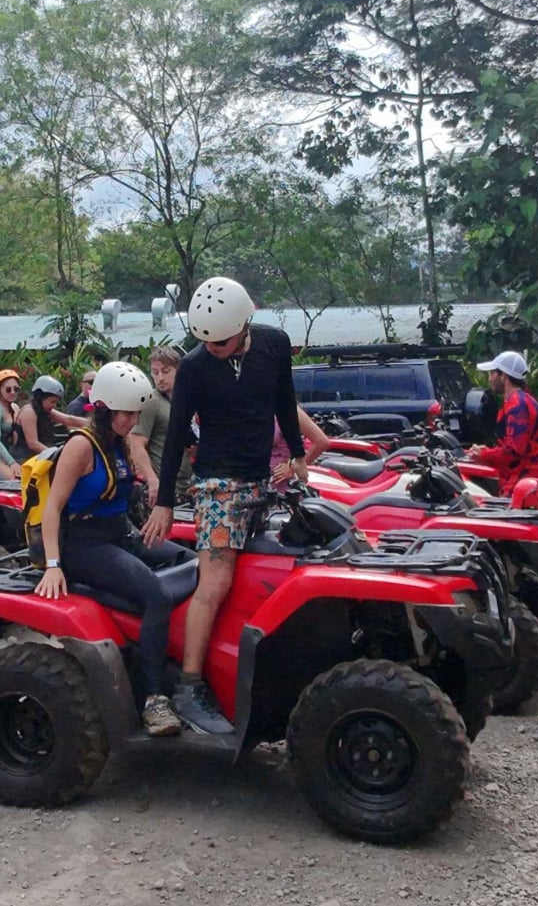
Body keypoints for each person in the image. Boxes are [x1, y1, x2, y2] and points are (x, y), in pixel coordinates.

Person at [142, 276, 307, 734]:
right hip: (217, 484)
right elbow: (177, 433)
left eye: (220, 341)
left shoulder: (274, 344)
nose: (211, 348)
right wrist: (165, 502)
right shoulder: (195, 366)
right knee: (215, 579)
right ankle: (189, 686)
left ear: (243, 326)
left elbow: (284, 400)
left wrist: (297, 455)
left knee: (269, 569)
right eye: (205, 341)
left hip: (263, 478)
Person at [33, 361, 193, 737]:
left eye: (136, 413)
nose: (133, 420)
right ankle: (153, 699)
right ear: (104, 409)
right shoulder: (80, 447)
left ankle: (156, 647)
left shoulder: (116, 442)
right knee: (157, 595)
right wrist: (53, 564)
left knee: (190, 561)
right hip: (86, 544)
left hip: (120, 533)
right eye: (127, 414)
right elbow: (53, 507)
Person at [468, 350, 538, 496]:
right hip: (520, 480)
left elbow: (514, 451)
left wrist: (484, 454)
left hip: (523, 483)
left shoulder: (518, 404)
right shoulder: (520, 400)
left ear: (504, 376)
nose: (489, 379)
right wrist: (487, 452)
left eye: (492, 373)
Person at [127, 346, 193, 524]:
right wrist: (152, 481)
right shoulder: (151, 402)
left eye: (166, 371)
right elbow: (136, 443)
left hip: (185, 486)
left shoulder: (183, 400)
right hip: (162, 489)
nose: (160, 378)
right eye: (155, 372)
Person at [16, 375, 86, 459]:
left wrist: (93, 423)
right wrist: (57, 455)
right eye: (52, 402)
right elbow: (33, 443)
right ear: (41, 398)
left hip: (39, 456)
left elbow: (68, 419)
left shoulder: (44, 410)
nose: (54, 405)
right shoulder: (29, 412)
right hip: (24, 459)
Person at [269, 406, 331, 488]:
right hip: (255, 479)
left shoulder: (287, 407)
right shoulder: (255, 406)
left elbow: (321, 442)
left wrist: (292, 468)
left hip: (279, 481)